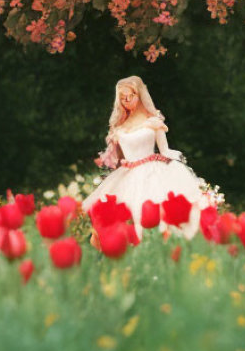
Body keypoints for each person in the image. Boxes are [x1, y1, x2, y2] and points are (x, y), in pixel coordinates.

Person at [83, 76, 214, 238]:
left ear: (139, 95)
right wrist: (111, 158)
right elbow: (118, 158)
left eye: (131, 96)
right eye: (123, 98)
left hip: (153, 170)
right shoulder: (120, 126)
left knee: (159, 209)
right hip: (128, 174)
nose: (128, 101)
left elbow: (165, 150)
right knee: (127, 212)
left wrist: (178, 165)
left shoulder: (152, 120)